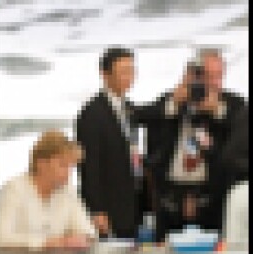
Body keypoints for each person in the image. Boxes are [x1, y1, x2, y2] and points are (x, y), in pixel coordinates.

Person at [147, 49, 247, 238]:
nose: (215, 83)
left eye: (219, 76)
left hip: (211, 197)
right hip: (170, 197)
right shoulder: (174, 99)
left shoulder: (234, 104)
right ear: (194, 76)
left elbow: (234, 148)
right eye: (209, 76)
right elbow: (140, 116)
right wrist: (174, 102)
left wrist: (216, 111)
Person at [75, 47, 162, 240]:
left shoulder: (127, 107)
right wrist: (96, 209)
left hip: (132, 203)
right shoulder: (92, 113)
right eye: (123, 71)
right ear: (105, 74)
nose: (129, 76)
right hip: (109, 206)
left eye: (132, 71)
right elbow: (89, 166)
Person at [0, 130, 96, 251]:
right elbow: (0, 238)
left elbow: (87, 232)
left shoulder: (68, 191)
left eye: (71, 166)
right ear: (41, 163)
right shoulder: (15, 188)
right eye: (62, 165)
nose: (68, 173)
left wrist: (82, 238)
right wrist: (47, 242)